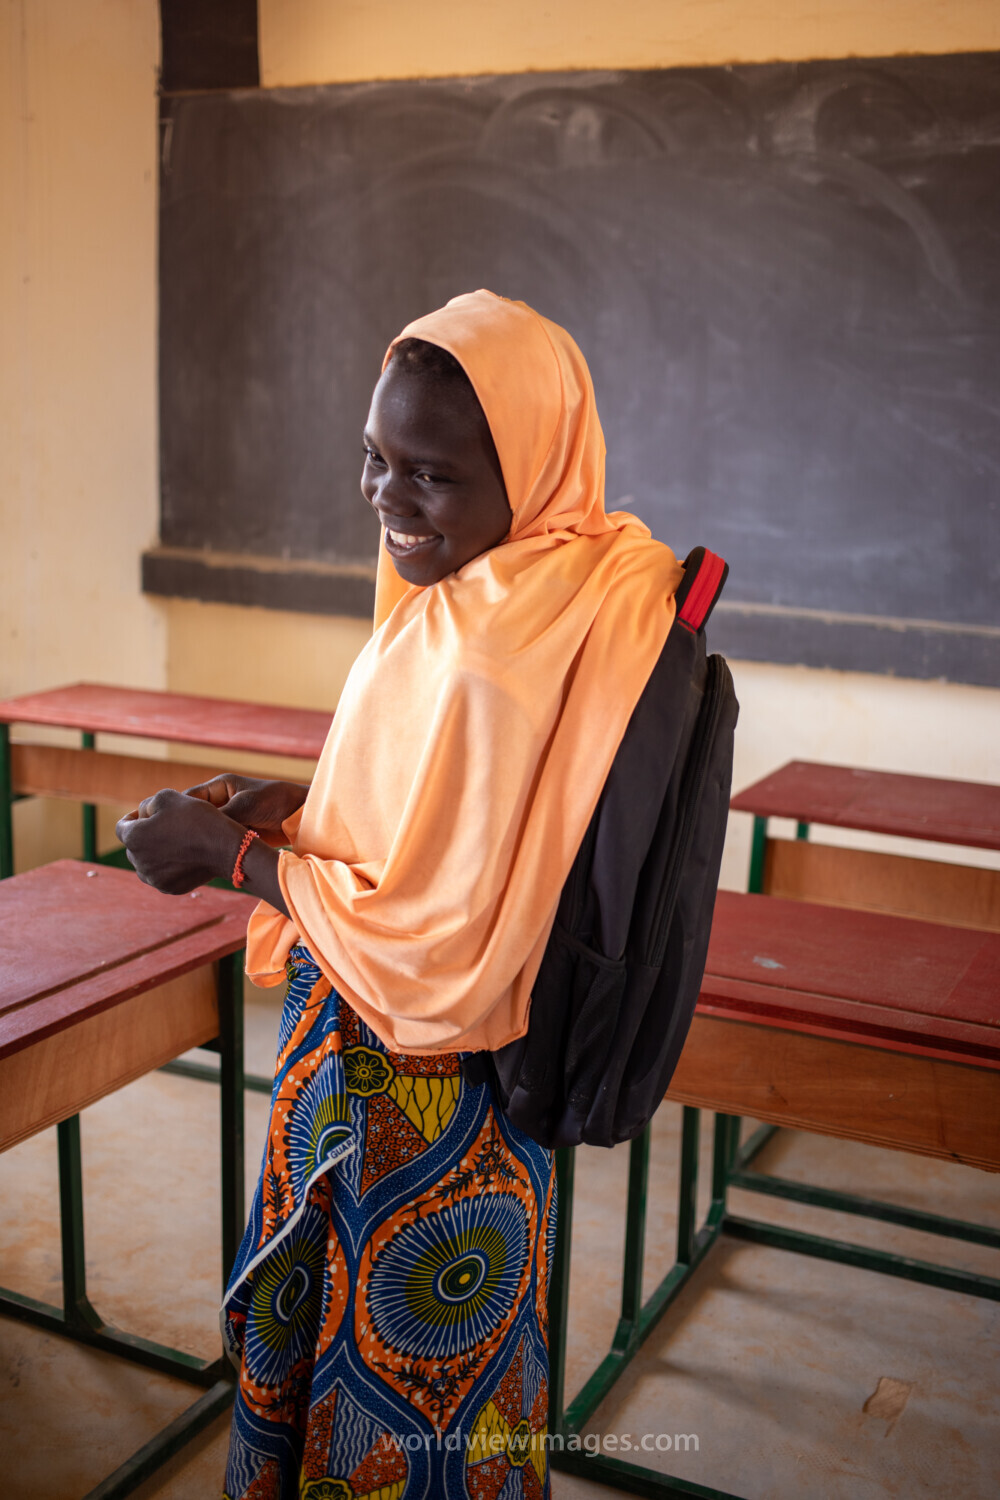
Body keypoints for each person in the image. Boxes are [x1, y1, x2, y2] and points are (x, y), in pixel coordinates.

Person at [117, 290, 683, 1499]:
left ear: (528, 471)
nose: (386, 497)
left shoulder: (488, 641)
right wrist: (296, 801)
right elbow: (446, 818)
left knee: (385, 1380)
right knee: (445, 1383)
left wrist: (229, 862)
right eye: (374, 458)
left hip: (410, 1091)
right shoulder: (564, 573)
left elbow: (435, 939)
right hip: (460, 1093)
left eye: (430, 474)